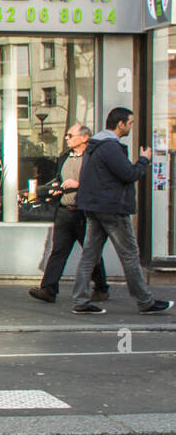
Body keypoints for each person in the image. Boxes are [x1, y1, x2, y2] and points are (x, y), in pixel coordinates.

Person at [70, 107, 170, 314]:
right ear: (121, 124)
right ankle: (145, 301)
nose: (131, 127)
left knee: (90, 255)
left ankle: (80, 302)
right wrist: (144, 160)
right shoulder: (109, 147)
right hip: (111, 209)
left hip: (94, 207)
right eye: (130, 123)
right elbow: (129, 174)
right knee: (130, 254)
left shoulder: (94, 145)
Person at [28, 125, 108, 304]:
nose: (67, 138)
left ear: (85, 138)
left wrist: (78, 185)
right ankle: (48, 289)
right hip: (65, 210)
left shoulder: (93, 158)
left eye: (71, 135)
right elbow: (60, 179)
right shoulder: (65, 157)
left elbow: (100, 183)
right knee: (58, 251)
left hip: (84, 213)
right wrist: (57, 189)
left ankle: (101, 287)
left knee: (90, 251)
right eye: (67, 135)